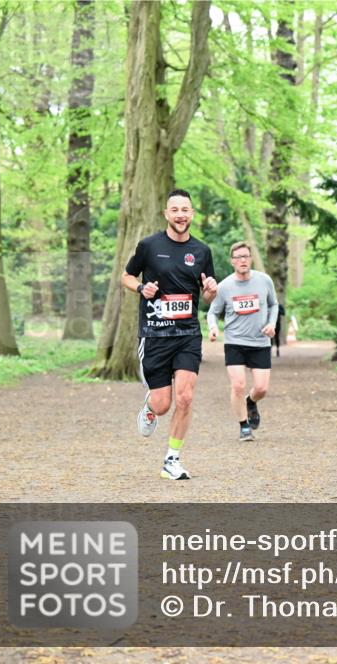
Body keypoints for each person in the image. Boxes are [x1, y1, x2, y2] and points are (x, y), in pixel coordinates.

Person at [123, 189, 217, 480]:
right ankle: (151, 406)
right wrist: (141, 288)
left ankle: (172, 460)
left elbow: (207, 295)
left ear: (192, 214)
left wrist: (211, 294)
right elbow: (126, 275)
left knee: (185, 397)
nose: (180, 215)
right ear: (166, 214)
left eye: (185, 210)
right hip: (154, 335)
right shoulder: (149, 246)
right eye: (175, 210)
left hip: (187, 333)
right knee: (163, 404)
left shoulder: (202, 251)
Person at [206, 242, 278, 442]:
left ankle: (250, 401)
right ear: (232, 261)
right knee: (238, 385)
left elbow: (274, 304)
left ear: (251, 259)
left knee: (261, 389)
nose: (242, 260)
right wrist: (213, 328)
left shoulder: (264, 281)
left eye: (245, 256)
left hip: (260, 342)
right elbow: (212, 312)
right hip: (235, 342)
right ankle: (244, 426)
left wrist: (272, 324)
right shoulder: (225, 286)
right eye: (238, 257)